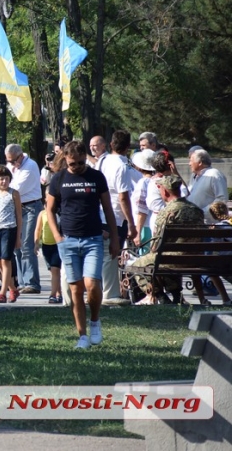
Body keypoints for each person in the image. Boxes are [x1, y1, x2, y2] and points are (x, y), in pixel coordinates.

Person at [46, 141, 120, 350]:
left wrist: (114, 238)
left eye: (80, 162)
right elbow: (50, 209)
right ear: (66, 159)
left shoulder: (96, 177)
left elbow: (107, 209)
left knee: (92, 284)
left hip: (93, 239)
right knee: (75, 290)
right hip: (68, 240)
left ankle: (95, 321)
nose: (76, 166)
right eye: (72, 163)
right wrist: (57, 237)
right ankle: (82, 336)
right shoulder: (59, 178)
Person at [129, 176, 204, 304]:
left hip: (171, 260)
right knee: (162, 259)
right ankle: (176, 295)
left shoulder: (166, 212)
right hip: (195, 258)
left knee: (137, 265)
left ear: (165, 191)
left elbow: (155, 245)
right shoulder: (197, 210)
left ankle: (161, 297)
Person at [92, 132, 137, 306]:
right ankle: (110, 293)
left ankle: (106, 291)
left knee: (104, 254)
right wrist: (131, 223)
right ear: (127, 148)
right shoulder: (122, 166)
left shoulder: (103, 160)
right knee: (111, 254)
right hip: (116, 216)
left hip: (100, 212)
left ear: (111, 144)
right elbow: (123, 197)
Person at [4, 144, 43, 294]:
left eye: (13, 161)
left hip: (31, 207)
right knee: (17, 246)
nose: (11, 164)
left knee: (27, 245)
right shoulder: (12, 165)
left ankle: (32, 282)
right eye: (9, 161)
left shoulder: (30, 166)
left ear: (20, 156)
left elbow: (16, 189)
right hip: (16, 208)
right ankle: (22, 282)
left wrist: (6, 184)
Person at [0, 166, 22, 304]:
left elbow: (19, 216)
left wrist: (18, 236)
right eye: (1, 179)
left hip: (9, 228)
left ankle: (3, 293)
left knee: (6, 260)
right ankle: (13, 288)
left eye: (7, 179)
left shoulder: (14, 193)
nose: (4, 182)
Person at [188, 149, 228, 221]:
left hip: (210, 224)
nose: (189, 164)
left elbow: (222, 199)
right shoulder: (195, 177)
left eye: (191, 160)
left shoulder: (215, 175)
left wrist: (203, 212)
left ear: (199, 162)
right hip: (196, 222)